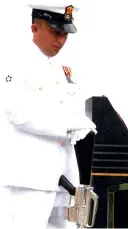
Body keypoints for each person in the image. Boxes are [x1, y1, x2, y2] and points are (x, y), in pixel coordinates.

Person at [0, 3, 96, 229]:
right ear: (35, 28)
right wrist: (68, 125)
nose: (60, 40)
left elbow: (72, 110)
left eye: (65, 34)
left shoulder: (62, 69)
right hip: (29, 178)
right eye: (55, 32)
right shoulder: (14, 62)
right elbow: (17, 112)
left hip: (63, 178)